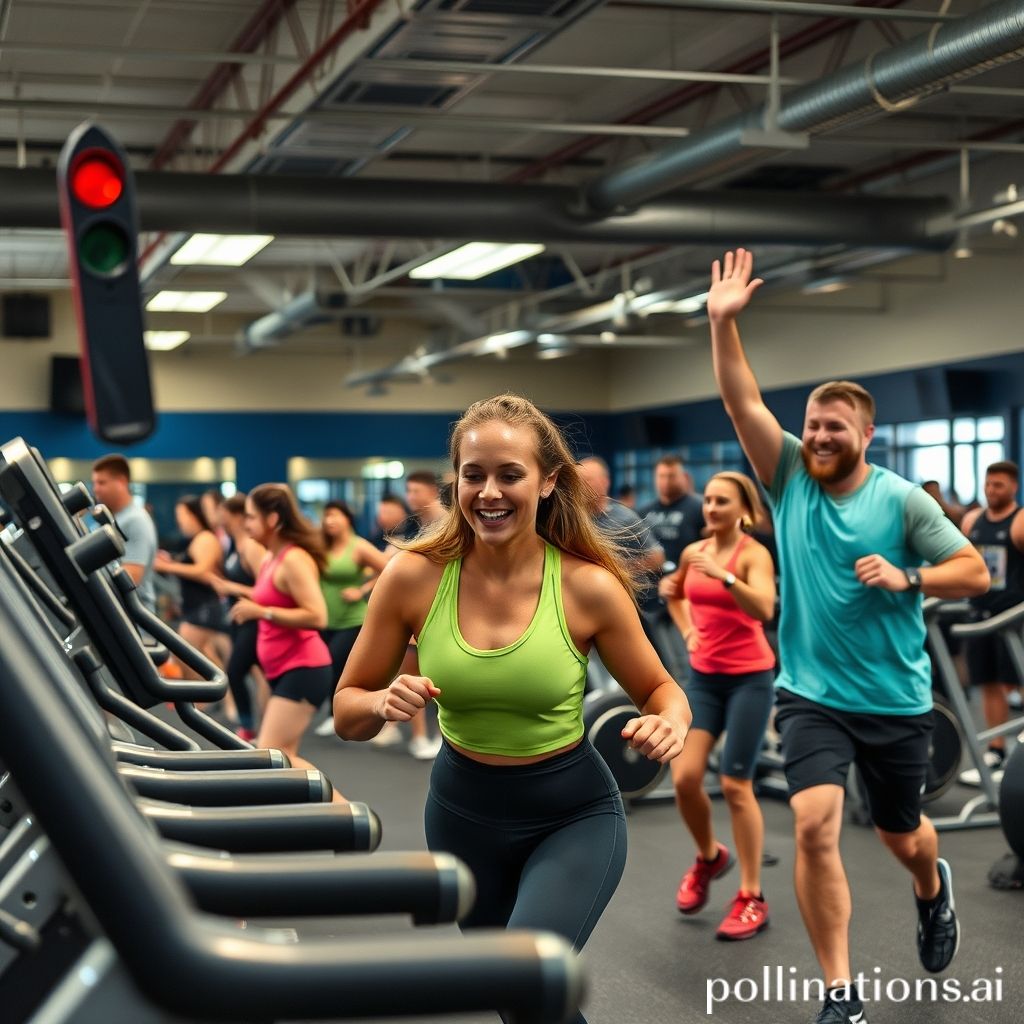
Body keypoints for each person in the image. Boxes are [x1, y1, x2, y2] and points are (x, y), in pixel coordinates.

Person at [334, 394, 690, 1024]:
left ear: (549, 482)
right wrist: (382, 700)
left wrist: (671, 721)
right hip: (462, 815)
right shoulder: (413, 577)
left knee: (524, 979)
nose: (489, 492)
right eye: (473, 475)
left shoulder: (586, 586)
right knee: (522, 1001)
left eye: (510, 474)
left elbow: (663, 690)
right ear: (456, 481)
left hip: (572, 815)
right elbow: (346, 711)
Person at [707, 249, 989, 1024]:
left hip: (895, 699)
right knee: (814, 823)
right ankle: (841, 993)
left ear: (867, 432)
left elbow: (974, 573)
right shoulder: (789, 476)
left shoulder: (902, 503)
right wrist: (721, 323)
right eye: (812, 425)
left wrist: (910, 579)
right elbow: (741, 403)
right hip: (810, 695)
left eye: (835, 426)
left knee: (904, 839)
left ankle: (933, 894)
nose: (820, 435)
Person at [661, 472, 776, 940]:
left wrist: (727, 577)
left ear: (742, 509)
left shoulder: (753, 554)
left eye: (721, 502)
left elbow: (764, 609)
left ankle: (751, 894)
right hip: (705, 678)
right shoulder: (694, 553)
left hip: (750, 678)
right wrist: (686, 626)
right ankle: (710, 856)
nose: (710, 508)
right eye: (707, 500)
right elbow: (676, 595)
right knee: (685, 777)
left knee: (734, 783)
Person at [228, 484, 338, 781]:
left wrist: (260, 612)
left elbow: (317, 615)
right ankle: (310, 820)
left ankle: (343, 812)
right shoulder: (268, 558)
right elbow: (272, 596)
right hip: (280, 668)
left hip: (304, 668)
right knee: (281, 759)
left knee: (274, 755)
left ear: (273, 520)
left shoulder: (294, 559)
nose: (245, 523)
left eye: (251, 517)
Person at [958, 461, 1024, 785]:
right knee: (989, 685)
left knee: (1020, 682)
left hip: (1014, 621)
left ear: (1013, 487)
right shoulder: (972, 520)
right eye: (988, 484)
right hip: (980, 616)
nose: (991, 490)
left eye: (998, 485)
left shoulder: (1020, 522)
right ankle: (997, 751)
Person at [207, 492, 269, 742]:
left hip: (254, 620)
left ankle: (252, 728)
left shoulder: (251, 547)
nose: (218, 518)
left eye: (222, 513)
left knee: (236, 671)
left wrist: (231, 588)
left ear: (234, 515)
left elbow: (266, 590)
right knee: (258, 673)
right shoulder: (235, 545)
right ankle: (260, 728)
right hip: (240, 619)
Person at [639, 454, 705, 684]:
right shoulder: (644, 511)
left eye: (672, 476)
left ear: (684, 477)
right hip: (652, 597)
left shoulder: (698, 508)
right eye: (662, 476)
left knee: (688, 658)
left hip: (688, 596)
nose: (667, 481)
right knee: (662, 662)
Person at [153, 496, 231, 677]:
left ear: (193, 515)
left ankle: (203, 698)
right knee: (206, 657)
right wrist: (171, 561)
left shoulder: (206, 538)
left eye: (181, 515)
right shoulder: (195, 540)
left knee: (184, 654)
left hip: (204, 605)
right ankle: (223, 701)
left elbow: (201, 570)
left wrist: (167, 566)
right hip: (195, 606)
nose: (179, 520)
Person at [319, 499, 391, 684]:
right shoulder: (322, 546)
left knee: (333, 664)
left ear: (347, 519)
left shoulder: (358, 546)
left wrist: (362, 590)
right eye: (326, 516)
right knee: (330, 669)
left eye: (335, 515)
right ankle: (334, 712)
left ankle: (336, 712)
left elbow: (390, 569)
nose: (329, 521)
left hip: (352, 619)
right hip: (326, 620)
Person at [91, 454, 158, 613]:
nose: (96, 489)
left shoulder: (135, 520)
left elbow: (131, 577)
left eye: (102, 482)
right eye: (94, 483)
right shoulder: (115, 519)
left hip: (134, 624)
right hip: (115, 614)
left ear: (121, 481)